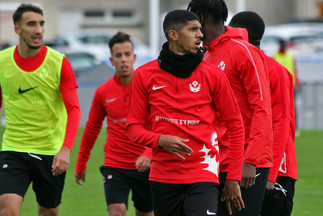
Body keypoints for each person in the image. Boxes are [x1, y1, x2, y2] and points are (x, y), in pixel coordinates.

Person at [126, 9, 245, 216]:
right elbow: (133, 128)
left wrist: (233, 177)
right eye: (193, 29)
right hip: (163, 178)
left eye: (200, 29)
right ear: (173, 35)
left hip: (203, 175)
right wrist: (160, 140)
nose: (200, 34)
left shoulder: (213, 74)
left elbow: (235, 125)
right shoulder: (145, 75)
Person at [188, 1, 273, 216]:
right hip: (216, 162)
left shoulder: (244, 51)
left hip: (246, 162)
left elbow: (261, 109)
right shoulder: (205, 56)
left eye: (193, 21)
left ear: (202, 17)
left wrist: (250, 161)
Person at [0, 3, 81, 216]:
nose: (38, 30)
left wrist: (65, 149)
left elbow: (74, 109)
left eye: (41, 24)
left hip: (50, 152)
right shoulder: (2, 62)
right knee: (7, 211)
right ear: (17, 29)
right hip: (13, 148)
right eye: (31, 24)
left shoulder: (59, 62)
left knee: (49, 212)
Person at [74, 31, 153, 216]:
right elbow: (92, 129)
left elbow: (160, 124)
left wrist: (149, 153)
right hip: (115, 165)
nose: (123, 59)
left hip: (145, 165)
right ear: (111, 60)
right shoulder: (103, 91)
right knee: (116, 211)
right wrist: (81, 163)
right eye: (118, 55)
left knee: (145, 213)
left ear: (134, 57)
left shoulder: (148, 87)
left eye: (127, 55)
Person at [228, 11, 298, 216]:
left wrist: (271, 175)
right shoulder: (234, 63)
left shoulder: (274, 70)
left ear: (241, 34)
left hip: (276, 169)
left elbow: (281, 121)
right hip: (242, 164)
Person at [273, 39, 301, 136]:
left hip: (291, 85)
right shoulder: (275, 56)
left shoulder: (290, 56)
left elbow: (294, 69)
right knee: (281, 108)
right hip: (280, 85)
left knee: (293, 107)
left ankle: (295, 127)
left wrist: (297, 81)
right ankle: (282, 128)